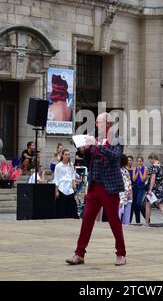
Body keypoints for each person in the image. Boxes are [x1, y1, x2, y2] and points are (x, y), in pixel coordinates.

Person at [66, 112, 126, 266]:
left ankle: (121, 253)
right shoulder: (95, 139)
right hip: (94, 186)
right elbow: (89, 162)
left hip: (109, 187)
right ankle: (79, 254)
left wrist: (98, 145)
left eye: (99, 122)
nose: (96, 125)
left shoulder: (116, 138)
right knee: (86, 219)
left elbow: (115, 155)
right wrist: (85, 150)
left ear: (108, 124)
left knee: (113, 220)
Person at [144, 153, 163, 228]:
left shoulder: (154, 167)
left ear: (153, 158)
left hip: (154, 189)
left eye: (150, 159)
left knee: (148, 205)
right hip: (160, 188)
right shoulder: (161, 166)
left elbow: (153, 178)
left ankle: (146, 223)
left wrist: (150, 189)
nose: (150, 161)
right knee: (161, 206)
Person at [53, 149, 78, 219]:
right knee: (62, 206)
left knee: (72, 205)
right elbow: (56, 179)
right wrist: (56, 191)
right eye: (66, 154)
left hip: (70, 188)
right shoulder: (58, 166)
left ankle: (73, 218)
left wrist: (74, 183)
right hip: (62, 188)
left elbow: (73, 175)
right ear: (62, 155)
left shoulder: (71, 165)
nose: (67, 156)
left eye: (68, 154)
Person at [131, 156, 147, 224]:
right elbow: (134, 179)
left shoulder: (145, 169)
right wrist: (137, 171)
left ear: (142, 162)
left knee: (139, 203)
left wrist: (140, 171)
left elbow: (143, 179)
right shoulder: (134, 169)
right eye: (138, 161)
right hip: (135, 187)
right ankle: (138, 221)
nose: (139, 163)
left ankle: (147, 218)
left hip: (141, 187)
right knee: (135, 205)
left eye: (140, 161)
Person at [119, 154, 132, 225]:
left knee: (119, 210)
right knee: (127, 211)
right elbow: (129, 183)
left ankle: (117, 225)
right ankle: (126, 225)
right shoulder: (126, 171)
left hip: (120, 192)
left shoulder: (116, 171)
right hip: (127, 192)